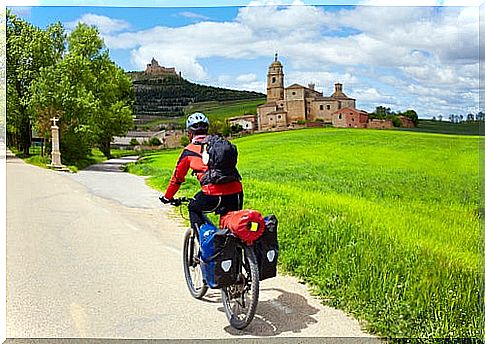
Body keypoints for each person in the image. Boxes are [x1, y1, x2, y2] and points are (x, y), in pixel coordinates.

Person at [159, 112, 243, 232]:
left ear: (189, 133)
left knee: (193, 207)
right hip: (236, 191)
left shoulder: (188, 151)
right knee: (233, 227)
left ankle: (203, 246)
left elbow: (177, 179)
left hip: (212, 194)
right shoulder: (219, 144)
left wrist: (168, 197)